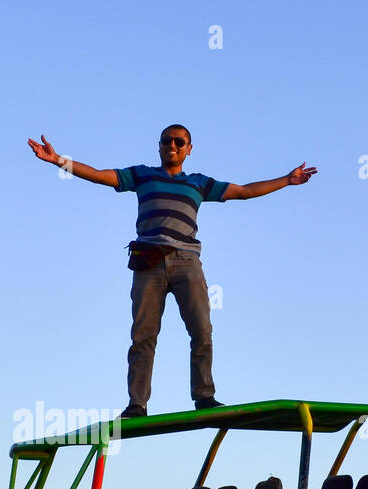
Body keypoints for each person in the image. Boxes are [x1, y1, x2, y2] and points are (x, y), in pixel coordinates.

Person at [27, 125, 317, 417]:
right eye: (168, 141)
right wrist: (58, 160)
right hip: (148, 262)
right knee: (143, 335)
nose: (173, 145)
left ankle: (204, 395)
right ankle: (137, 404)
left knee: (202, 330)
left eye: (180, 142)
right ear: (159, 146)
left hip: (186, 262)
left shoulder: (198, 183)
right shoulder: (142, 175)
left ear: (189, 149)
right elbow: (100, 175)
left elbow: (243, 192)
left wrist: (287, 180)